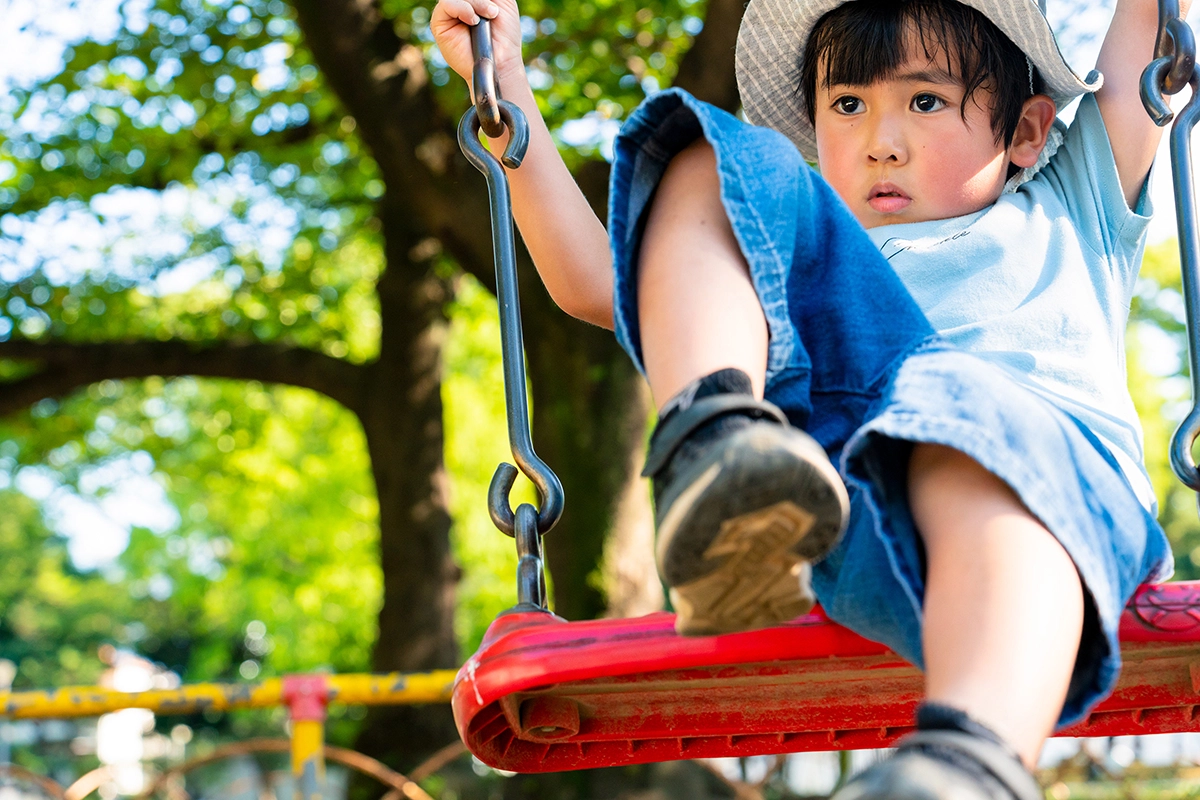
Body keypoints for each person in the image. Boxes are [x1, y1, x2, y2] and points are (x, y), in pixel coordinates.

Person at [431, 0, 1188, 796]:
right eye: (848, 105)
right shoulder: (806, 259)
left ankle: (965, 766)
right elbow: (595, 280)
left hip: (1056, 526)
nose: (879, 142)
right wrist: (502, 76)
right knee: (707, 153)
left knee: (960, 408)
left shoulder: (1073, 203)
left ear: (1029, 130)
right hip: (856, 526)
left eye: (925, 101)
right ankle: (723, 455)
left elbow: (1148, 31)